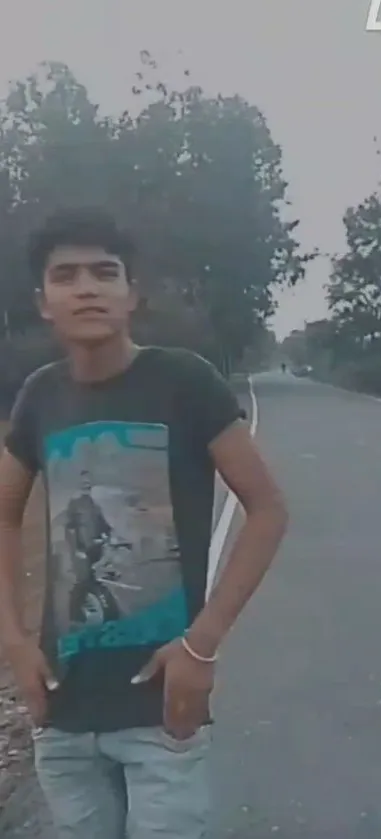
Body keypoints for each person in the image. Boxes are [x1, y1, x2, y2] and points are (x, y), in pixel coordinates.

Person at [0, 207, 288, 839]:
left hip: (161, 708)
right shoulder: (39, 397)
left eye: (105, 273)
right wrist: (15, 640)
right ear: (44, 301)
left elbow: (267, 510)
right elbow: (5, 513)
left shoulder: (185, 381)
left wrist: (201, 644)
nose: (86, 288)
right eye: (66, 275)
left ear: (132, 294)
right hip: (64, 708)